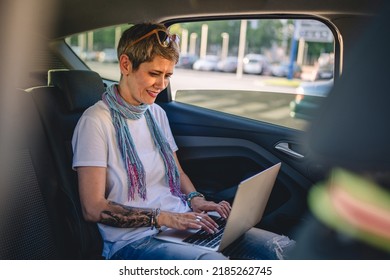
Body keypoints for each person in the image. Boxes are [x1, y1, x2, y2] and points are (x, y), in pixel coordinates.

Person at [72, 22, 295, 260]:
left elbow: (177, 174)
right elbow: (93, 208)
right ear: (126, 64)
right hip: (133, 242)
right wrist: (163, 217)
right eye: (154, 74)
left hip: (181, 224)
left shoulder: (156, 113)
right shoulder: (95, 121)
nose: (162, 84)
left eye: (168, 75)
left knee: (283, 249)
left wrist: (195, 199)